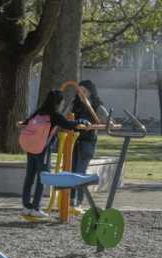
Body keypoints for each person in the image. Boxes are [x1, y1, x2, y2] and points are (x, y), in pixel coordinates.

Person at [20, 90, 90, 219]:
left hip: (31, 148)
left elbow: (26, 123)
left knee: (29, 177)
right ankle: (36, 208)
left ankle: (26, 206)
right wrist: (81, 121)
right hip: (42, 150)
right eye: (62, 101)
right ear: (58, 102)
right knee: (43, 178)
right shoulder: (55, 115)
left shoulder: (38, 112)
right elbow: (69, 125)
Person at [70, 80, 106, 211]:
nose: (81, 94)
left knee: (80, 172)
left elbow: (109, 122)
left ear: (90, 92)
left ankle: (78, 202)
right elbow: (66, 119)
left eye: (83, 91)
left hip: (87, 142)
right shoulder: (75, 105)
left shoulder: (96, 105)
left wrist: (92, 126)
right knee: (71, 172)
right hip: (73, 142)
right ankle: (70, 201)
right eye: (79, 91)